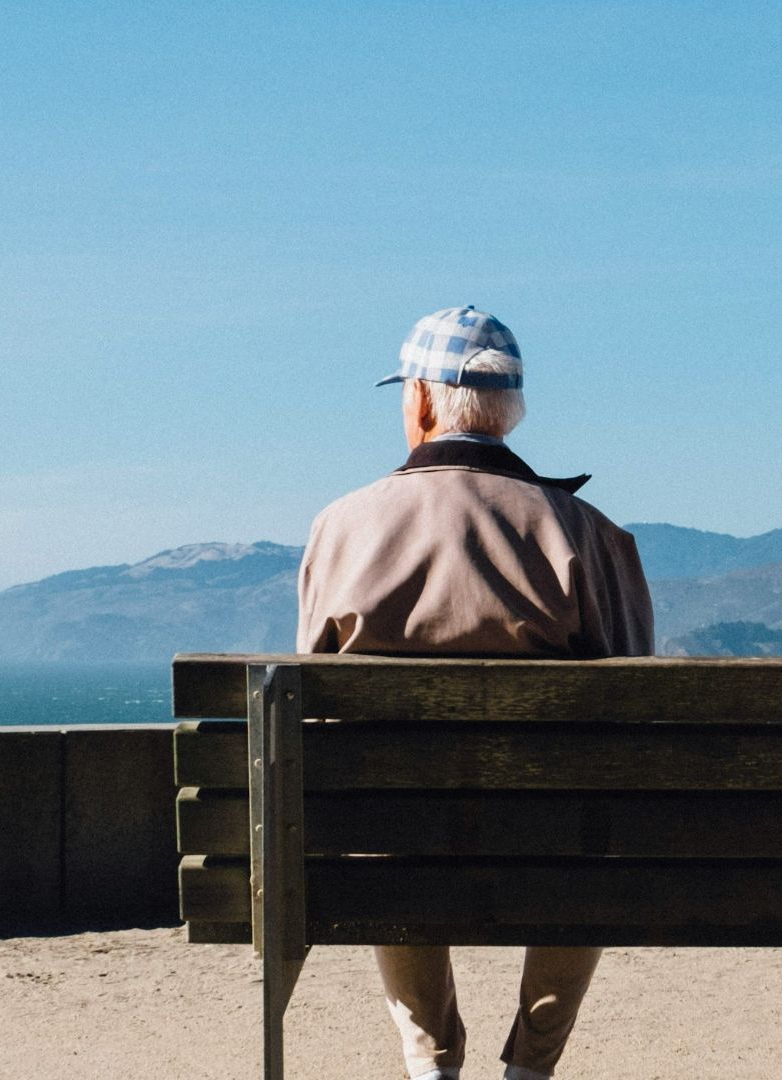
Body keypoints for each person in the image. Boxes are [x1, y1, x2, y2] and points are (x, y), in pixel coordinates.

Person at [297, 305, 654, 1080]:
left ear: (421, 402)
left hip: (394, 834)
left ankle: (430, 1062)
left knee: (381, 819)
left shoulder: (341, 527)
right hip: (553, 838)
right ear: (508, 413)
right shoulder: (585, 533)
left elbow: (312, 708)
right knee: (593, 827)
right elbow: (639, 707)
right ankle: (531, 1066)